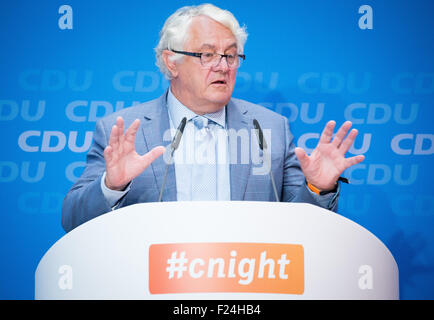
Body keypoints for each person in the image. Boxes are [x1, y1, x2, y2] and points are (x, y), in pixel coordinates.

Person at [61, 3, 364, 232]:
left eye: (230, 55)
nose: (223, 66)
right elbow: (72, 220)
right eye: (207, 55)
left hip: (247, 284)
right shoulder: (124, 130)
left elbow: (303, 230)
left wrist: (317, 189)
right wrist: (111, 186)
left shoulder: (271, 128)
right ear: (172, 61)